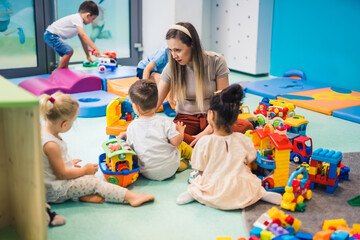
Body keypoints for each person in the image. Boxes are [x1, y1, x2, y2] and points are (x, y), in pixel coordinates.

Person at [176, 84, 283, 210]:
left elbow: (201, 170)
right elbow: (250, 159)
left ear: (211, 115)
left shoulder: (204, 142)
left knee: (198, 182)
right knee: (252, 182)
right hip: (239, 188)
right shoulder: (243, 139)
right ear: (235, 117)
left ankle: (193, 194)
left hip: (214, 189)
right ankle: (262, 194)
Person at [40, 91, 155, 206]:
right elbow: (62, 175)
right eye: (73, 121)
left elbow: (49, 163)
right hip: (55, 190)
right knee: (94, 182)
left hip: (49, 182)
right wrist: (83, 171)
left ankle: (84, 195)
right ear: (64, 124)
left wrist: (69, 164)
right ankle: (131, 197)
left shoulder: (43, 132)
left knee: (87, 172)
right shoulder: (52, 145)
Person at [156, 22, 254, 146]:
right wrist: (140, 122)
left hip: (215, 119)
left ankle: (197, 143)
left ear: (192, 45)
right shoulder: (172, 67)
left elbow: (223, 104)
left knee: (246, 125)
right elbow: (155, 102)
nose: (174, 55)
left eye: (178, 50)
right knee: (167, 132)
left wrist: (206, 132)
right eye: (170, 50)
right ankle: (207, 143)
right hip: (185, 120)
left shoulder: (216, 61)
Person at [117, 79, 193, 180]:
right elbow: (176, 142)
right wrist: (181, 131)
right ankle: (195, 158)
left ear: (136, 107)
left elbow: (134, 149)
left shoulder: (132, 126)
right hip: (170, 169)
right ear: (157, 101)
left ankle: (180, 164)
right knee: (181, 145)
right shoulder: (165, 121)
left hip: (147, 172)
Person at [43, 1, 101, 69]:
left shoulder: (78, 24)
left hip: (51, 35)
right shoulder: (77, 18)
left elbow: (83, 41)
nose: (92, 21)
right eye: (92, 19)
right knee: (69, 51)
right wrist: (95, 49)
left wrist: (88, 56)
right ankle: (57, 74)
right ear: (88, 15)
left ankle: (64, 72)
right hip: (51, 35)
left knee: (67, 55)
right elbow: (83, 35)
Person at [137, 47, 176, 117]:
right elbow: (147, 69)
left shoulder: (178, 57)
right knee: (159, 77)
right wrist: (145, 86)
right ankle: (165, 104)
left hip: (157, 71)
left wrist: (172, 97)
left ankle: (171, 99)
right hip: (143, 69)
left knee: (168, 77)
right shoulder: (162, 54)